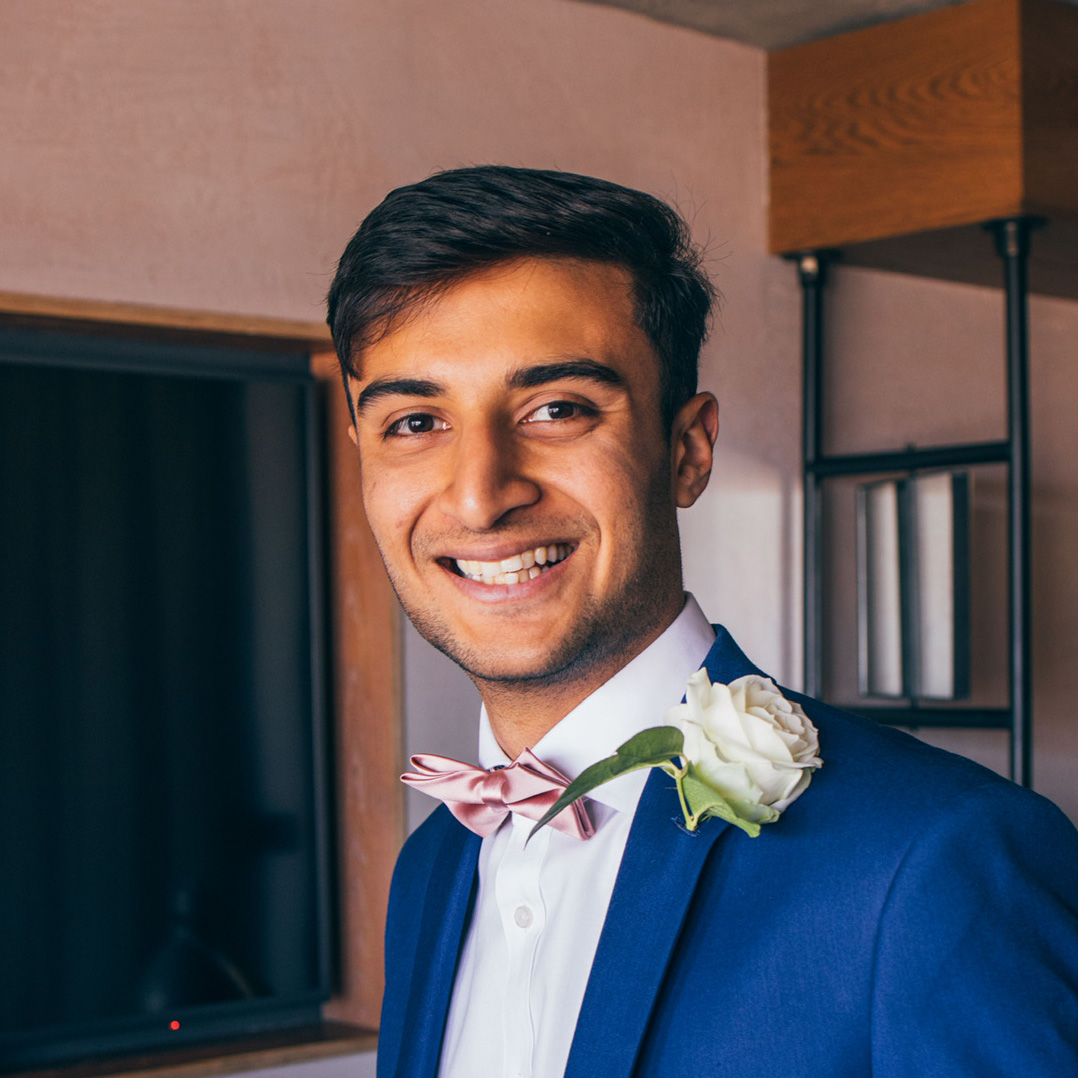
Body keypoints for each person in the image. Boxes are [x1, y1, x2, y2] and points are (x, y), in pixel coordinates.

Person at [327, 166, 1078, 1078]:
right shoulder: (429, 868)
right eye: (414, 422)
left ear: (686, 451)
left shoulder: (938, 862)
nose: (481, 496)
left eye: (557, 409)